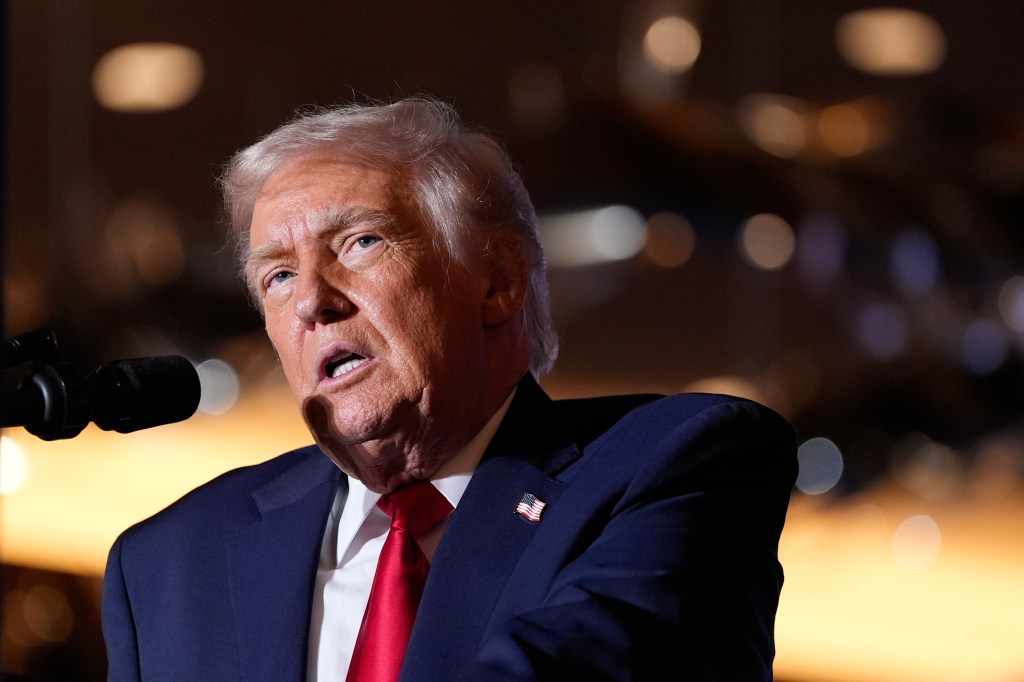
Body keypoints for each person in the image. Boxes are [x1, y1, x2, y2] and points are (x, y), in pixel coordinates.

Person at [101, 96, 798, 681]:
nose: (311, 301)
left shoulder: (678, 463)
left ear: (495, 282)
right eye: (277, 276)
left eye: (360, 243)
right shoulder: (169, 563)